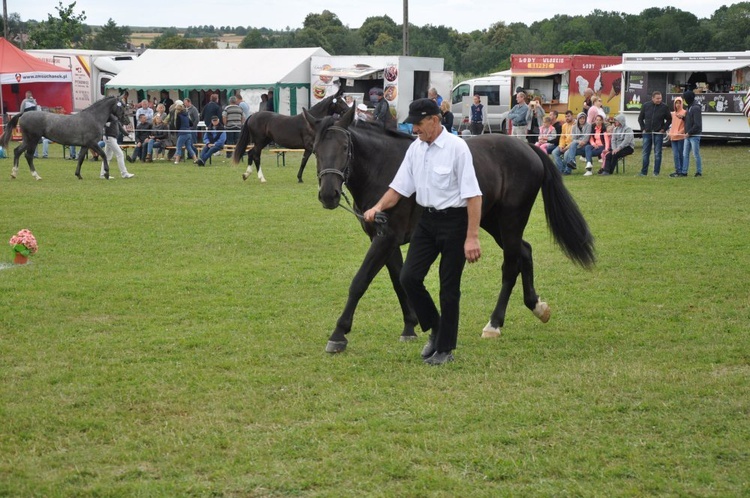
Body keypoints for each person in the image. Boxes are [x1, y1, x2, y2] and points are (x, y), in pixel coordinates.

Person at [362, 98, 483, 366]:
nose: (415, 129)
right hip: (426, 221)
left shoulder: (457, 148)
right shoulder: (415, 150)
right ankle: (436, 327)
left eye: (418, 124)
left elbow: (474, 196)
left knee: (448, 288)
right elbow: (400, 187)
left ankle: (445, 348)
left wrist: (472, 237)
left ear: (434, 120)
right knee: (409, 278)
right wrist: (377, 207)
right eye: (413, 124)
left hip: (455, 222)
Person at [638, 90, 671, 176]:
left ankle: (656, 173)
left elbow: (669, 119)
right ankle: (643, 172)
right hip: (647, 133)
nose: (659, 100)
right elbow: (640, 118)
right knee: (645, 153)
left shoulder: (665, 107)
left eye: (660, 98)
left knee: (657, 153)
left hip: (658, 133)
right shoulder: (646, 106)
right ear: (652, 98)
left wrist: (664, 129)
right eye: (657, 98)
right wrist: (643, 128)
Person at [100, 114, 135, 179]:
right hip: (109, 137)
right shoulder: (109, 116)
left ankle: (103, 174)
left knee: (107, 157)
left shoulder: (114, 117)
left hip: (111, 137)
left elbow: (119, 127)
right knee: (120, 154)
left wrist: (128, 135)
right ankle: (124, 173)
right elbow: (105, 124)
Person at [681, 90, 703, 177]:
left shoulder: (695, 108)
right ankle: (684, 172)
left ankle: (699, 172)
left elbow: (697, 124)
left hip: (694, 135)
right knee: (685, 154)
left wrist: (689, 133)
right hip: (688, 135)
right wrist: (683, 118)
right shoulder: (689, 107)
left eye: (684, 98)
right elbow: (689, 121)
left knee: (695, 154)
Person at [667, 97, 687, 177]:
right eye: (676, 103)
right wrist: (670, 133)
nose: (677, 105)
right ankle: (677, 170)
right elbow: (672, 124)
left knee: (680, 153)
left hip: (680, 137)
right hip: (673, 137)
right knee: (675, 154)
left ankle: (682, 170)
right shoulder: (673, 114)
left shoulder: (684, 112)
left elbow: (686, 125)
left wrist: (680, 132)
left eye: (679, 103)